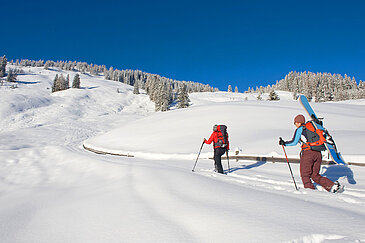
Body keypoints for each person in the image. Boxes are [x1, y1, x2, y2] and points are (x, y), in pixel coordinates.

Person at [279, 114, 342, 193]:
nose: (295, 124)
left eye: (295, 122)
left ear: (299, 122)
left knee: (305, 174)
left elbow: (294, 142)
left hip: (308, 154)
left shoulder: (301, 129)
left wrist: (284, 143)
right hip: (318, 153)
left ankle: (310, 192)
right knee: (315, 175)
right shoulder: (313, 129)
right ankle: (332, 186)